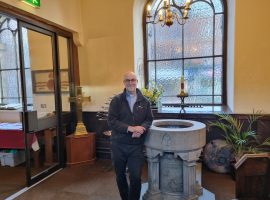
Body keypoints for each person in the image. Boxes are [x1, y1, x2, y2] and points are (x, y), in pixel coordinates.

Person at [107, 71, 153, 200]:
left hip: (136, 147)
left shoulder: (145, 101)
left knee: (136, 177)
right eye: (128, 80)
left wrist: (142, 128)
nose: (131, 82)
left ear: (137, 82)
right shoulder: (116, 100)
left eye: (133, 80)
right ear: (124, 83)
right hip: (118, 145)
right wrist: (130, 129)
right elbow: (111, 121)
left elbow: (149, 119)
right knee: (120, 176)